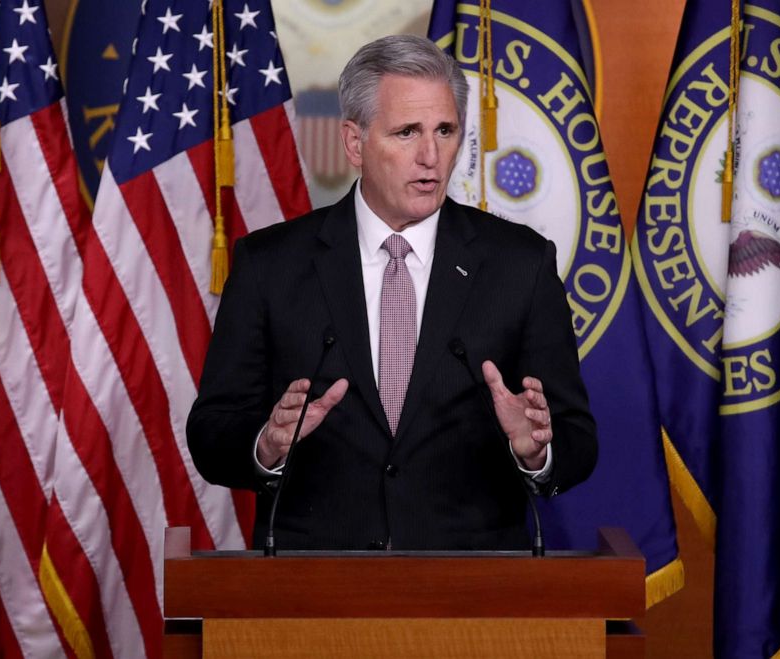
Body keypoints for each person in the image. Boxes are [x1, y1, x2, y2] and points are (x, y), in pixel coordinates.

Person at [187, 34, 596, 551]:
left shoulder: (521, 264)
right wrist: (267, 443)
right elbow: (210, 433)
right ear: (355, 143)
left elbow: (577, 439)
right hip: (312, 589)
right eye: (407, 133)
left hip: (475, 592)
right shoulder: (270, 265)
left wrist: (534, 449)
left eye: (445, 131)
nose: (431, 156)